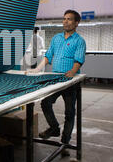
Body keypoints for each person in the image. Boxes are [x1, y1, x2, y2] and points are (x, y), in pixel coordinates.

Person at [26, 10, 86, 154]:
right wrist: (38, 70)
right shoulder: (56, 38)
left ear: (76, 23)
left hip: (70, 81)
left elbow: (79, 59)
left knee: (69, 113)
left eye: (69, 19)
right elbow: (48, 56)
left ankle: (65, 143)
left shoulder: (79, 41)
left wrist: (73, 71)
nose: (65, 21)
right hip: (55, 79)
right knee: (46, 103)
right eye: (64, 19)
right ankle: (54, 128)